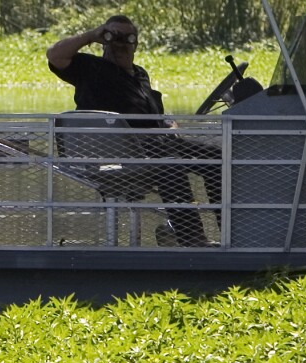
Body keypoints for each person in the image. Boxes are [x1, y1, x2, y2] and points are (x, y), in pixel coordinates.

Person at [47, 16, 215, 244]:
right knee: (169, 164)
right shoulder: (90, 68)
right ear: (104, 42)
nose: (120, 46)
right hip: (119, 153)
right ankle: (192, 239)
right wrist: (91, 35)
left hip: (157, 144)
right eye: (114, 38)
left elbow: (155, 116)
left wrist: (169, 124)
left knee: (216, 157)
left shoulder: (140, 75)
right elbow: (55, 55)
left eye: (127, 40)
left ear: (135, 44)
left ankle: (232, 229)